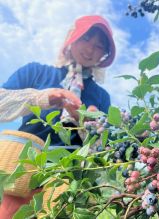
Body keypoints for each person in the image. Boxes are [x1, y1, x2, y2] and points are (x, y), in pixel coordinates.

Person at [0, 15, 116, 218]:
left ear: (103, 55)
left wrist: (85, 123)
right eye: (87, 38)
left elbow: (102, 148)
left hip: (65, 179)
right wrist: (45, 97)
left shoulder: (101, 96)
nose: (90, 49)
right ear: (73, 36)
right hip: (23, 166)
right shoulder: (36, 72)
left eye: (99, 46)